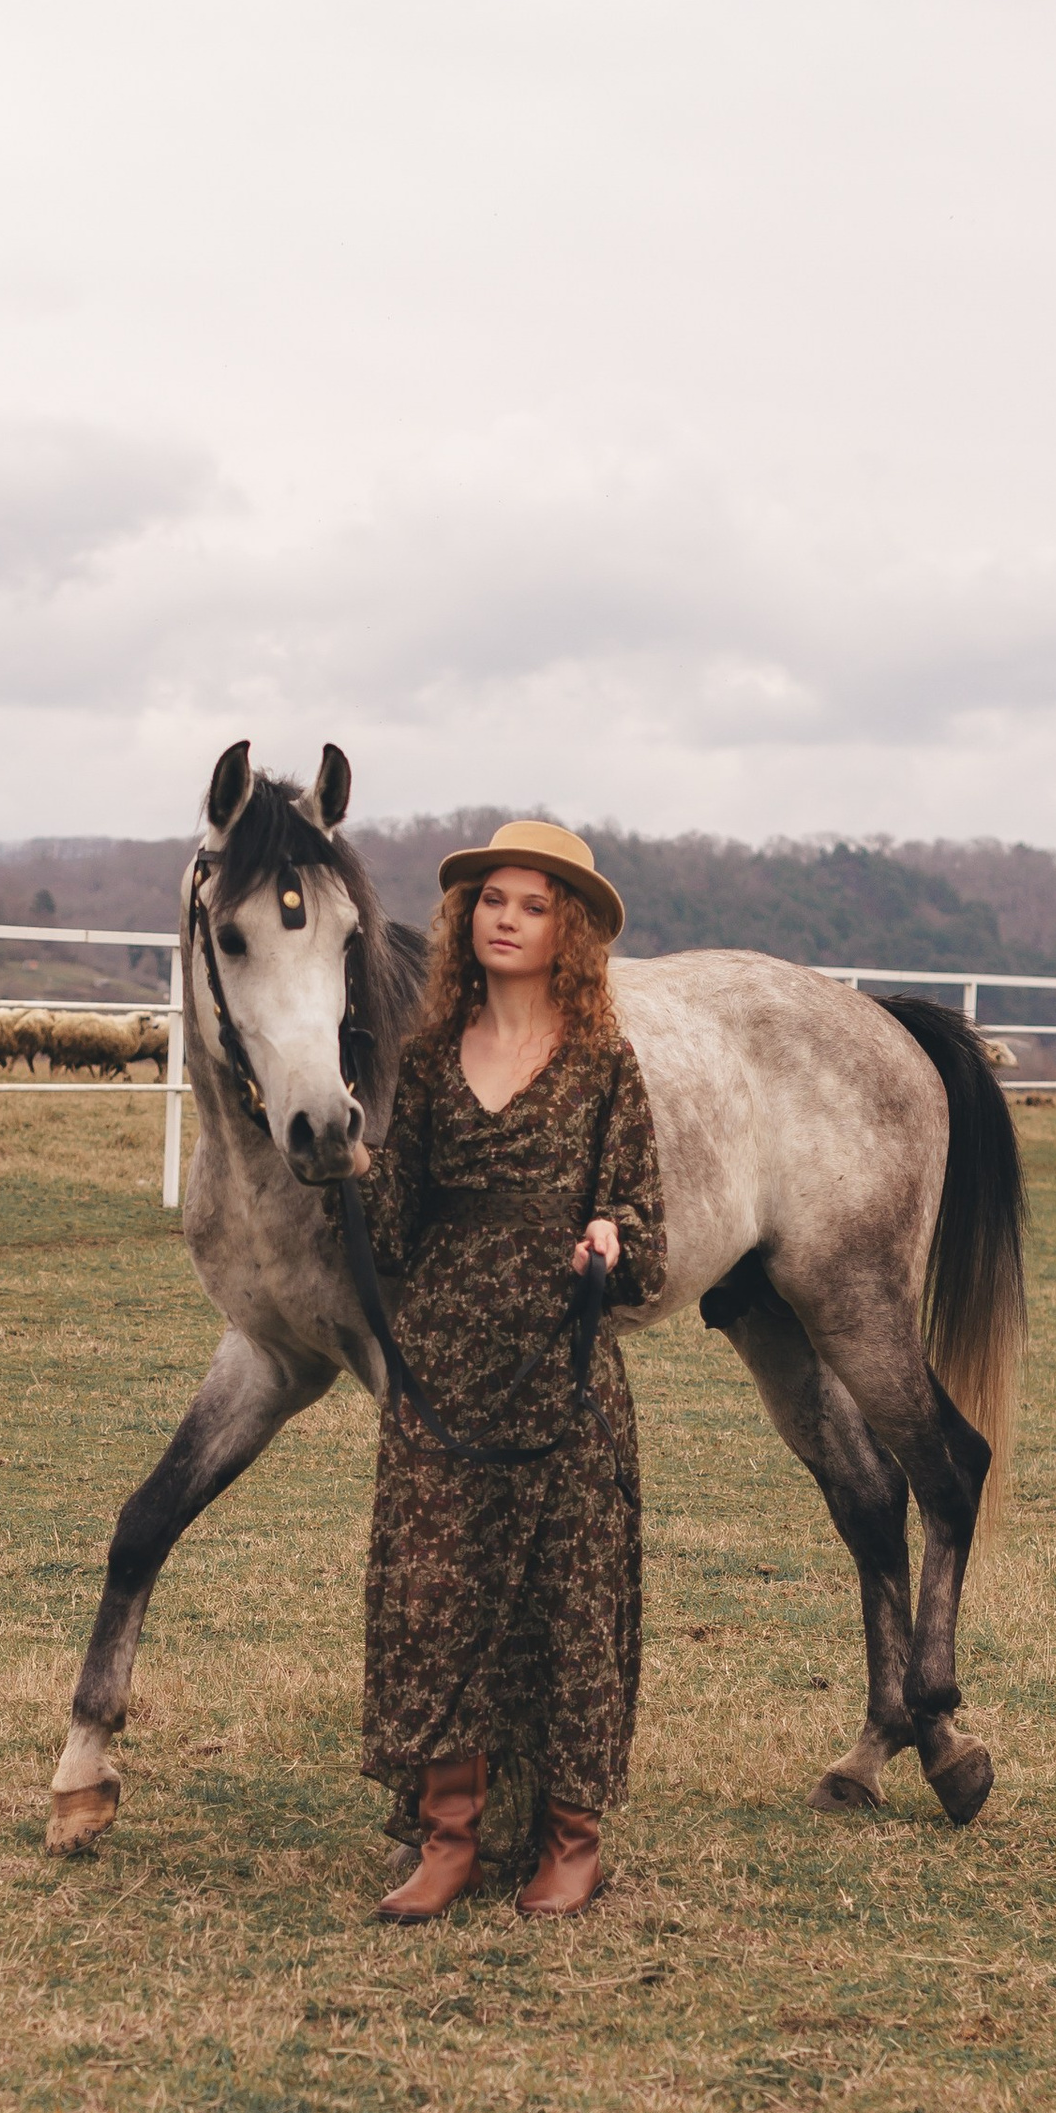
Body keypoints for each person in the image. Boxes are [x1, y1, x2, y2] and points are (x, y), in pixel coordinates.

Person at [355, 820, 666, 1921]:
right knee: (435, 1600)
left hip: (561, 1376)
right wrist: (355, 1158)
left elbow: (646, 1225)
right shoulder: (428, 1061)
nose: (505, 918)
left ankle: (570, 1842)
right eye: (491, 899)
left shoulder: (602, 1066)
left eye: (533, 905)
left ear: (565, 931)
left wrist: (613, 1237)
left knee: (565, 1604)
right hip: (443, 1373)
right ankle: (449, 1840)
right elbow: (391, 1234)